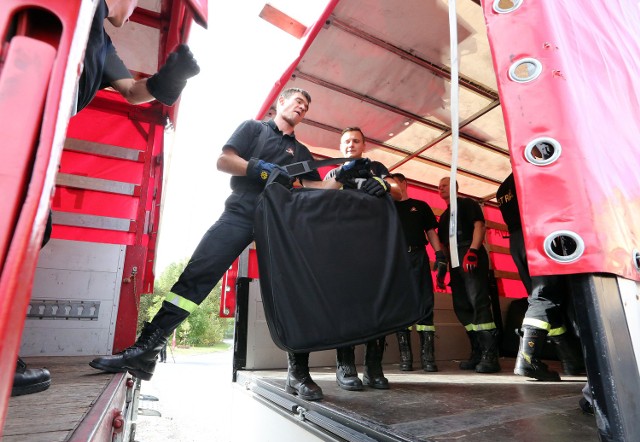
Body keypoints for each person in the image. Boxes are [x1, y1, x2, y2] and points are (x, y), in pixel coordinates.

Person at [89, 88, 369, 402]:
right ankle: (146, 349)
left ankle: (297, 372)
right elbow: (224, 160)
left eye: (306, 105)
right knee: (196, 277)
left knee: (292, 293)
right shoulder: (254, 129)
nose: (302, 106)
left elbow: (317, 188)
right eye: (297, 101)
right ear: (280, 103)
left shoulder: (301, 152)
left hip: (277, 224)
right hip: (241, 212)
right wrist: (261, 170)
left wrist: (341, 172)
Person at [13, 0, 199, 397]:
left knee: (30, 232)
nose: (133, 12)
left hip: (37, 138)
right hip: (13, 116)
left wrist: (170, 81)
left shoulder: (101, 41)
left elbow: (133, 92)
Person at [323, 127, 396, 391]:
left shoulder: (376, 166)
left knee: (377, 305)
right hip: (344, 248)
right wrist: (343, 174)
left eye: (356, 140)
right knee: (346, 306)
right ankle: (346, 366)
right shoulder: (334, 171)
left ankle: (374, 368)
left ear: (364, 145)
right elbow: (323, 193)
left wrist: (385, 184)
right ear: (341, 147)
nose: (351, 144)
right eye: (346, 141)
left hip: (374, 246)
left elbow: (399, 189)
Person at [496, 173, 584, 381]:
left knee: (544, 300)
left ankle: (570, 361)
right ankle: (528, 360)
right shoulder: (531, 172)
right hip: (538, 233)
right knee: (546, 296)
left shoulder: (502, 189)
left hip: (517, 241)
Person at [436, 177, 500, 373]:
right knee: (461, 304)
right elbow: (445, 244)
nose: (441, 188)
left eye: (445, 185)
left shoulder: (468, 204)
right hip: (454, 257)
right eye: (439, 187)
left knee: (478, 300)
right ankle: (478, 352)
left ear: (455, 186)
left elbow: (479, 226)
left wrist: (473, 251)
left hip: (469, 252)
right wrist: (443, 268)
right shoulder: (445, 216)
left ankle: (490, 356)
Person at [386, 173, 447, 372]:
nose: (390, 186)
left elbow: (431, 232)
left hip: (418, 257)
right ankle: (406, 358)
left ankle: (428, 357)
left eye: (393, 182)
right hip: (397, 260)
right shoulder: (387, 208)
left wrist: (439, 256)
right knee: (401, 305)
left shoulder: (420, 206)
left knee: (425, 301)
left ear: (404, 183)